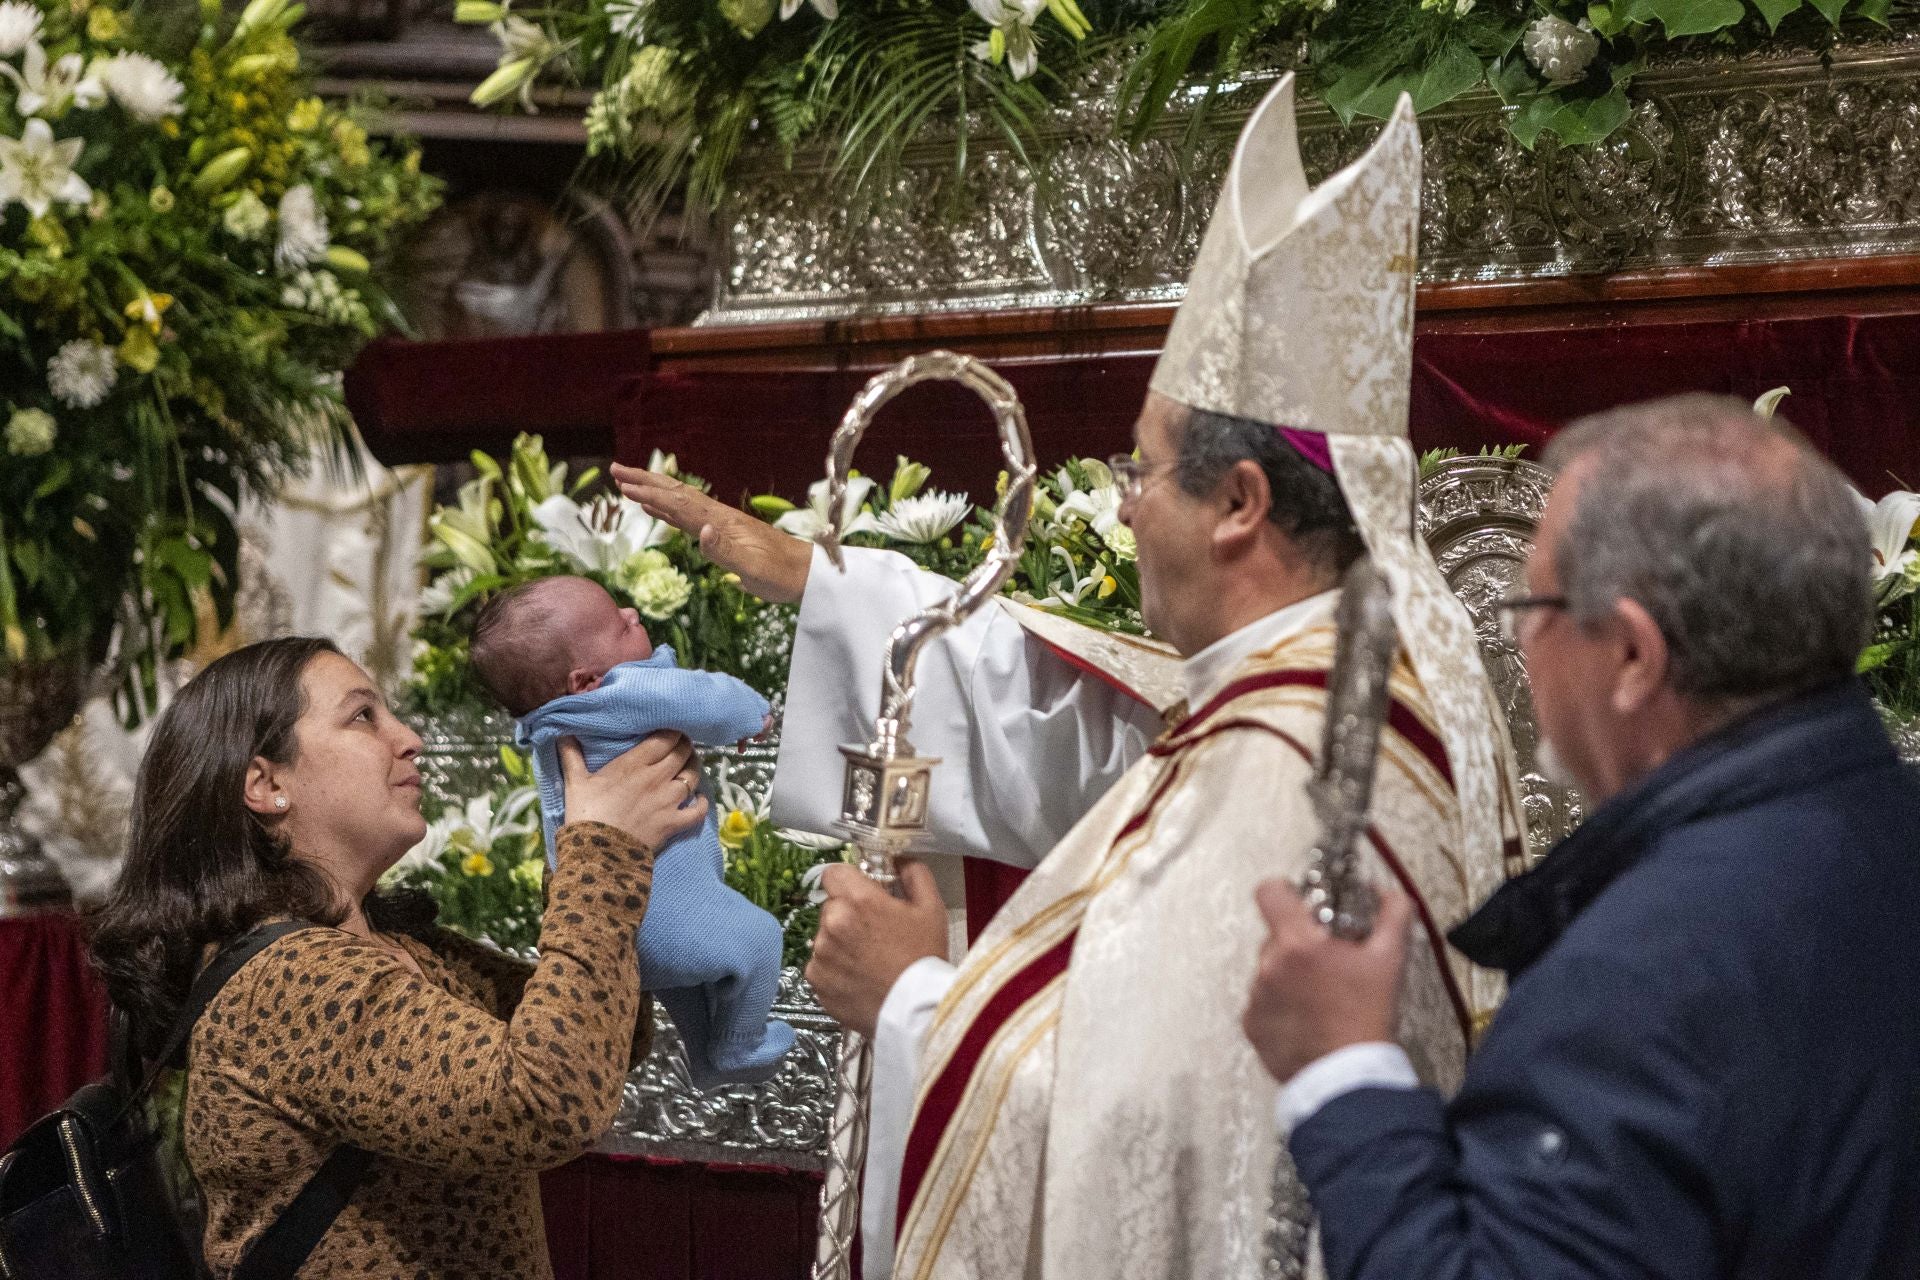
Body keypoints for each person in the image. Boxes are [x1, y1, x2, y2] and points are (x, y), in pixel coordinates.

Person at [617, 73, 1524, 1279]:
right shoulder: (1373, 664)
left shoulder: (1288, 761)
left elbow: (1163, 1156)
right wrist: (827, 588)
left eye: (1142, 471)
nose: (1122, 502)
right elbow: (1107, 734)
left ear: (1242, 504)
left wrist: (908, 1000)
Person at [1243, 394, 1920, 1279]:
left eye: (1536, 603)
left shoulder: (1635, 987)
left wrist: (1344, 1072)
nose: (1520, 637)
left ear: (1634, 656)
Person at [89, 636, 706, 1278]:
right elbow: (548, 1102)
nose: (410, 738)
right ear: (266, 784)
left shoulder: (401, 948)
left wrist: (618, 842)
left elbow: (605, 1034)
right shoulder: (288, 981)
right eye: (363, 717)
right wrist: (602, 852)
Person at [468, 575, 795, 1089]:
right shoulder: (623, 693)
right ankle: (739, 1047)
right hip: (664, 910)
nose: (631, 612)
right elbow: (708, 699)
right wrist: (752, 715)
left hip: (625, 925)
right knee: (759, 938)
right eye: (616, 626)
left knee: (690, 989)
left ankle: (709, 1061)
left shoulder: (551, 726)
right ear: (584, 681)